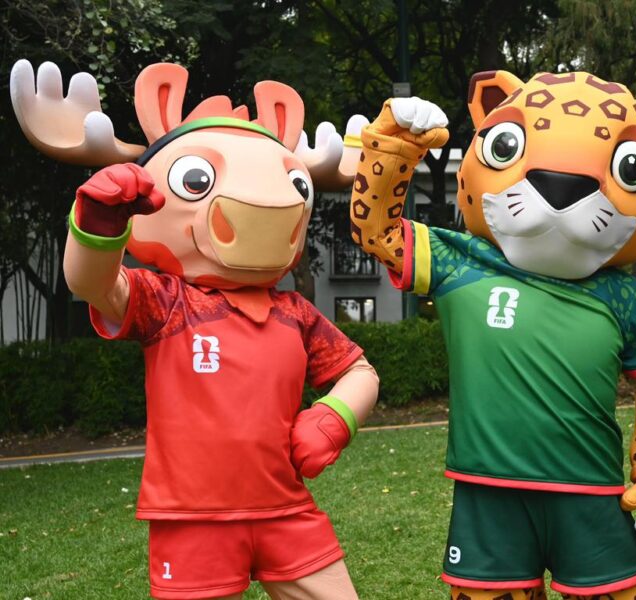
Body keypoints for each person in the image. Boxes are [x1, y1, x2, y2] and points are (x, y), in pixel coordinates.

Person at [9, 59, 376, 599]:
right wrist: (98, 227)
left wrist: (334, 417)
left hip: (288, 509)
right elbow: (94, 285)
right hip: (190, 519)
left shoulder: (295, 312)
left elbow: (359, 371)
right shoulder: (166, 302)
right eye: (198, 180)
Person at [349, 71, 636, 600]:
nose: (560, 192)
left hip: (594, 495)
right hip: (490, 499)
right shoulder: (458, 260)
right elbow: (376, 232)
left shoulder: (620, 294)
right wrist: (393, 148)